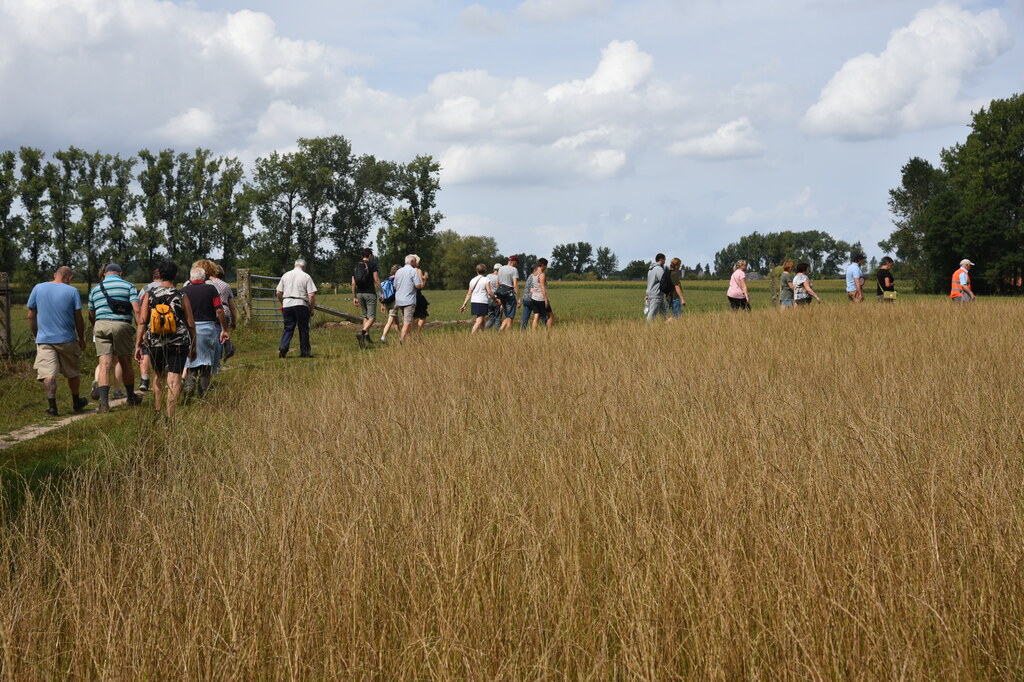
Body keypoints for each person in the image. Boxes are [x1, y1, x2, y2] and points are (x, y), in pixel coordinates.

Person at [135, 261, 197, 420]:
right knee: (175, 378)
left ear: (159, 275)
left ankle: (157, 410)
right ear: (175, 276)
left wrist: (138, 345)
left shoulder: (149, 294)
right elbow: (190, 323)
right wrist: (193, 346)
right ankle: (169, 417)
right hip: (178, 342)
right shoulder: (181, 295)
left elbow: (142, 321)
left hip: (155, 342)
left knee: (158, 375)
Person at [27, 266, 89, 416]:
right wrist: (81, 338)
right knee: (72, 372)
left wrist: (37, 335)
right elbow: (78, 318)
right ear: (69, 278)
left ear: (55, 275)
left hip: (45, 340)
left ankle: (52, 407)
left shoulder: (38, 288)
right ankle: (76, 401)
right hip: (67, 338)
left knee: (49, 374)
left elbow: (30, 316)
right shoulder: (72, 291)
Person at [87, 262, 142, 413]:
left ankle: (104, 404)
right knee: (125, 362)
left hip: (100, 325)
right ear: (120, 273)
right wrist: (140, 328)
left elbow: (91, 313)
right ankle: (131, 397)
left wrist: (96, 325)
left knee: (104, 364)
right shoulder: (129, 286)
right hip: (121, 325)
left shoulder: (95, 289)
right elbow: (137, 310)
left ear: (104, 274)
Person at [182, 267, 230, 397]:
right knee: (206, 361)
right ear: (204, 278)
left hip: (189, 329)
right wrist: (224, 329)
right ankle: (203, 392)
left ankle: (189, 386)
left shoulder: (184, 291)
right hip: (208, 328)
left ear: (191, 278)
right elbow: (219, 310)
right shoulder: (211, 289)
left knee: (191, 359)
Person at [193, 259, 235, 374]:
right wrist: (228, 325)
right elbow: (226, 306)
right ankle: (215, 366)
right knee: (216, 342)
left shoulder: (188, 285)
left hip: (194, 319)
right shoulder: (217, 286)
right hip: (214, 317)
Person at [275, 259, 317, 358]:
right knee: (303, 329)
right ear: (304, 267)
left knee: (288, 327)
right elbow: (311, 295)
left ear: (295, 265)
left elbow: (278, 292)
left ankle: (284, 346)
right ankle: (305, 352)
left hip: (287, 304)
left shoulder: (285, 275)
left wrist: (283, 303)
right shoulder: (306, 276)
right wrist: (311, 308)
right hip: (301, 303)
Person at [137, 267, 162, 391]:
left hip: (148, 325)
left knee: (145, 351)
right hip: (164, 326)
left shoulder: (145, 289)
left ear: (153, 276)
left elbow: (139, 306)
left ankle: (144, 380)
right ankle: (162, 378)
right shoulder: (168, 287)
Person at [351, 248, 381, 348]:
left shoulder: (356, 265)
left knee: (366, 317)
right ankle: (362, 333)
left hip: (359, 294)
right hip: (370, 294)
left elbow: (353, 283)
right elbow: (376, 280)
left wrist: (354, 297)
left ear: (361, 256)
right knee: (372, 317)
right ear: (370, 255)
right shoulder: (372, 265)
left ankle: (365, 338)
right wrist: (382, 291)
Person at [393, 254, 425, 342]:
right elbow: (418, 286)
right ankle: (402, 340)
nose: (416, 263)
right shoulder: (413, 271)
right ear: (411, 262)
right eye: (415, 261)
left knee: (405, 320)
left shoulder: (398, 271)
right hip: (409, 300)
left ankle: (409, 340)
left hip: (399, 300)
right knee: (407, 322)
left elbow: (395, 286)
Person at [460, 264, 499, 333]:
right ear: (485, 271)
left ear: (477, 270)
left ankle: (483, 335)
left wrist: (464, 304)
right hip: (482, 302)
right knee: (479, 320)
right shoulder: (486, 279)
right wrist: (495, 300)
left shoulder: (472, 280)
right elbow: (489, 292)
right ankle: (471, 336)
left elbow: (469, 293)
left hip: (474, 302)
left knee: (482, 320)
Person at [496, 255, 520, 331]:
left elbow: (498, 283)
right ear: (513, 261)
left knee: (507, 315)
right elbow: (515, 284)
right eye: (516, 262)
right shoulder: (514, 269)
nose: (516, 264)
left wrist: (498, 297)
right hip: (509, 293)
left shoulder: (501, 269)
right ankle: (507, 334)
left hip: (501, 293)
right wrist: (519, 298)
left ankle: (500, 331)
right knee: (511, 316)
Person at [378, 264, 400, 344]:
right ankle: (383, 337)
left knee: (396, 322)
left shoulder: (387, 279)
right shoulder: (396, 280)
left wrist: (382, 304)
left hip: (387, 302)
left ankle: (401, 337)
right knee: (390, 321)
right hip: (394, 302)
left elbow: (383, 293)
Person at [530, 258, 554, 330]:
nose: (546, 267)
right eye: (546, 265)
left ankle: (533, 334)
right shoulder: (542, 274)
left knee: (536, 316)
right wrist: (546, 299)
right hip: (541, 298)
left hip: (534, 298)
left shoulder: (534, 274)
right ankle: (549, 333)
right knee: (550, 315)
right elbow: (542, 287)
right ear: (543, 265)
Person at [645, 254, 668, 321]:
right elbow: (663, 281)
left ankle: (666, 328)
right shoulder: (659, 269)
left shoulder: (651, 269)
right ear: (661, 259)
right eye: (664, 260)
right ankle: (647, 329)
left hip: (653, 294)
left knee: (664, 314)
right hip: (656, 295)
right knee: (652, 314)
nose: (665, 262)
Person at [413, 256, 431, 332]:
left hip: (407, 295)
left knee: (411, 317)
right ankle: (417, 334)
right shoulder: (418, 270)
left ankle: (408, 334)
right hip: (417, 295)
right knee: (422, 316)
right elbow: (421, 285)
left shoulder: (404, 270)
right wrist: (425, 279)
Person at [485, 263, 501, 330]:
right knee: (498, 318)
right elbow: (498, 288)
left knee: (491, 318)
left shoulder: (488, 276)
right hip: (496, 298)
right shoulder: (499, 277)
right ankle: (498, 335)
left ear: (494, 269)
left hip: (488, 298)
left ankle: (483, 330)